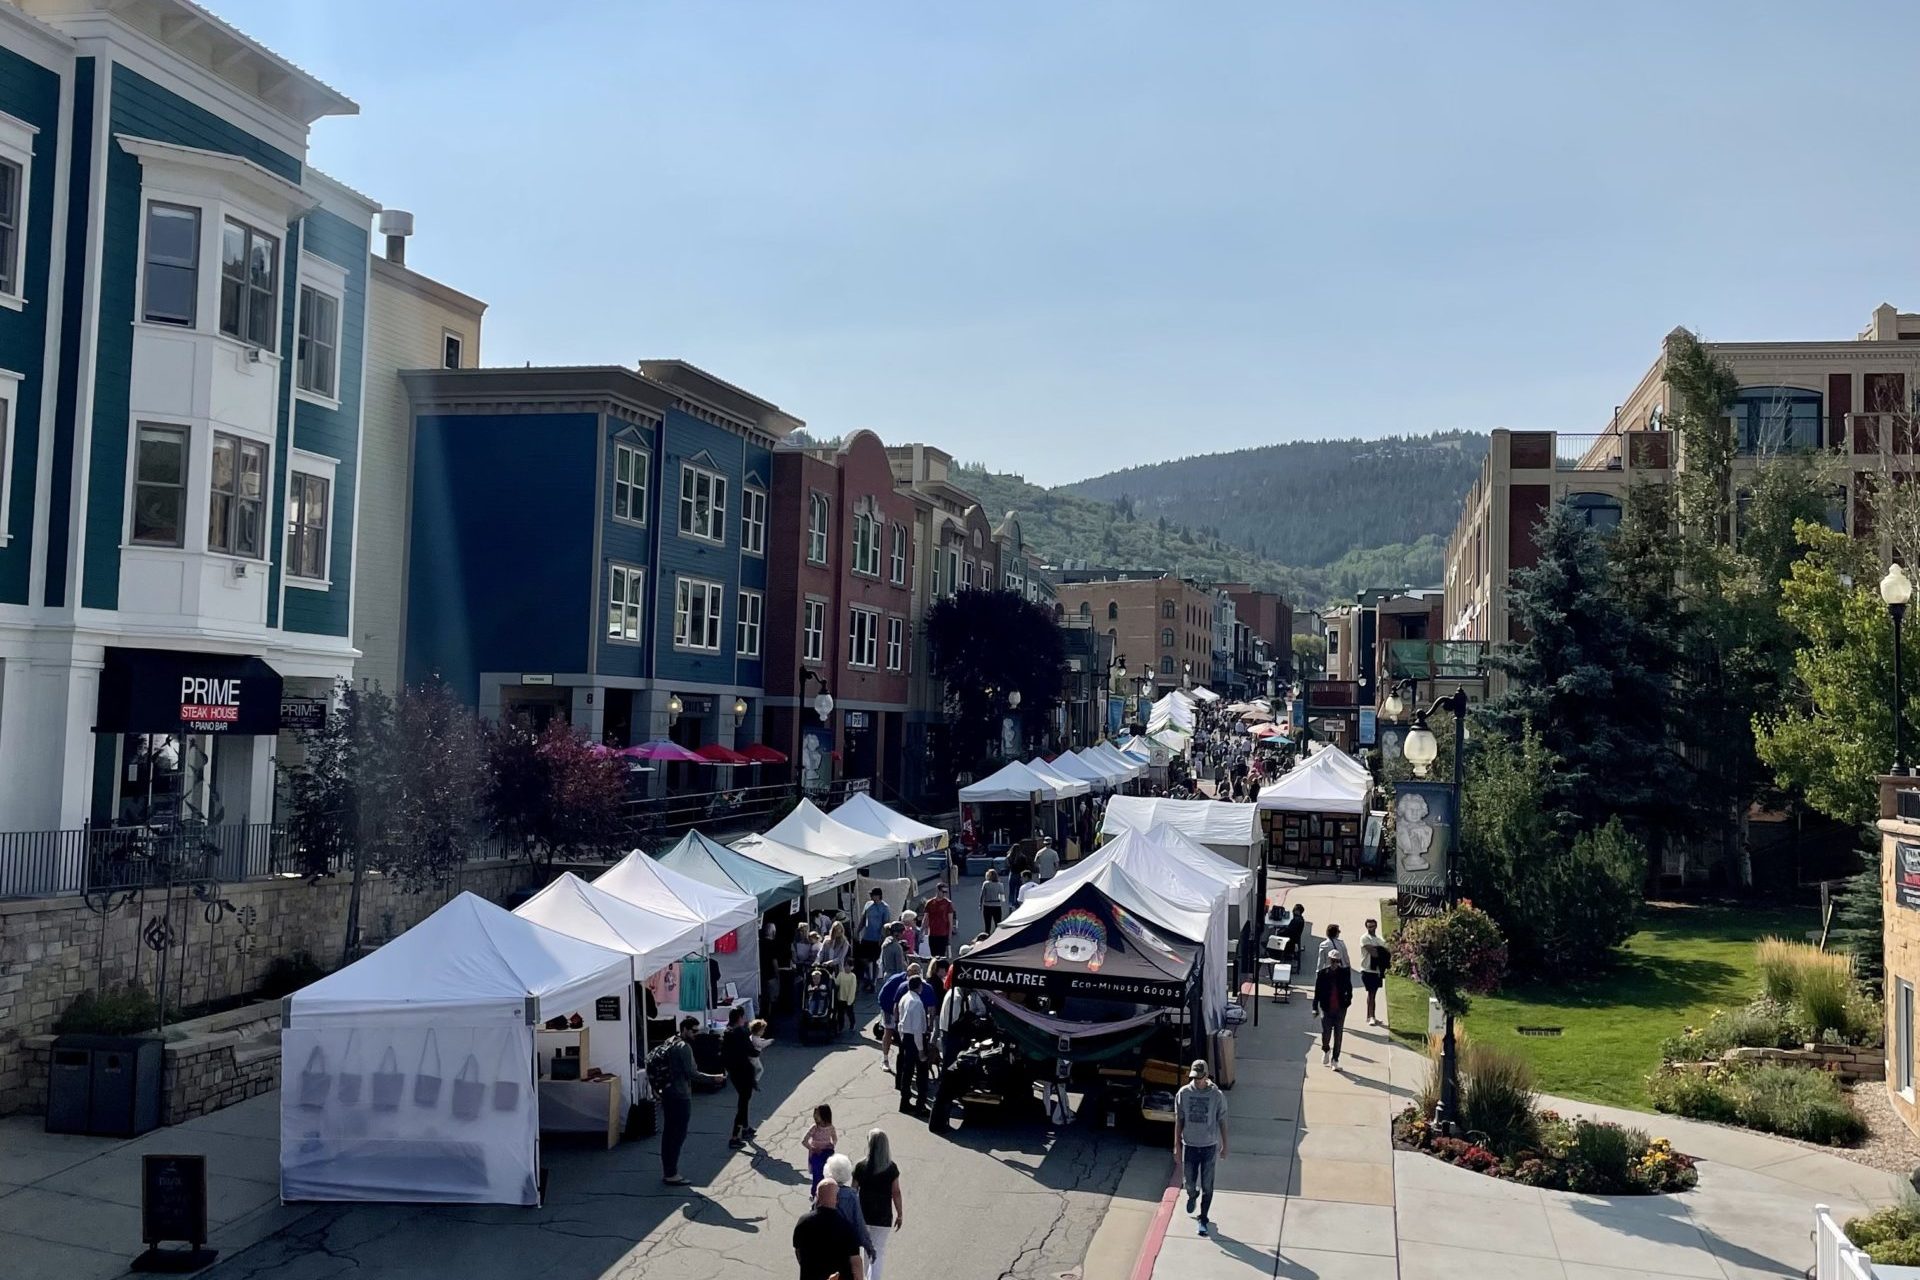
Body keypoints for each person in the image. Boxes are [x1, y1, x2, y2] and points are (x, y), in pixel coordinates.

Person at [661, 1015, 726, 1186]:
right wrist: (715, 1079)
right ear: (684, 1030)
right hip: (680, 1095)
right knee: (677, 1134)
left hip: (667, 1092)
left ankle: (668, 1170)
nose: (696, 1034)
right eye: (694, 1031)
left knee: (669, 1133)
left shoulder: (670, 1041)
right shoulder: (684, 1048)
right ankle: (671, 1173)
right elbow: (693, 1074)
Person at [1174, 1058, 1228, 1237]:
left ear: (1206, 1076)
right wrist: (1176, 1145)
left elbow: (1222, 1120)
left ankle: (1203, 1217)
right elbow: (1179, 1120)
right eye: (1194, 1077)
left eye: (1199, 1078)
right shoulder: (1183, 1093)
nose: (1196, 1081)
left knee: (1208, 1185)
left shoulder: (1216, 1095)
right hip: (1189, 1145)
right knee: (1188, 1182)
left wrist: (1225, 1145)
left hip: (1209, 1147)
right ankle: (1192, 1195)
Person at [854, 1128, 904, 1280]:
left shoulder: (861, 1166)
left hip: (863, 1216)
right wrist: (900, 1213)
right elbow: (896, 1192)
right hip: (882, 1217)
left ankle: (868, 1277)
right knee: (878, 1252)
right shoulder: (891, 1168)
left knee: (867, 1251)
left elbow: (853, 1191)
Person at [794, 1177, 864, 1280]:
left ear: (817, 1196)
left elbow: (798, 1250)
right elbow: (855, 1261)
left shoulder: (803, 1222)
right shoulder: (846, 1226)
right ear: (836, 1199)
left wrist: (806, 1267)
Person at [820, 1153, 875, 1274]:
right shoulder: (851, 1195)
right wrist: (868, 1246)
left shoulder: (822, 1192)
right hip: (848, 1243)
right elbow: (859, 1222)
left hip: (826, 1240)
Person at [723, 1005, 760, 1149]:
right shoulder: (740, 1033)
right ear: (739, 1018)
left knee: (744, 1099)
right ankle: (734, 1136)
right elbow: (750, 1050)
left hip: (734, 1071)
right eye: (743, 1017)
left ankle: (745, 1128)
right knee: (743, 1102)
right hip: (743, 1070)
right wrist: (757, 1051)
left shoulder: (727, 1032)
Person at [895, 974, 932, 1112]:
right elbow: (917, 1029)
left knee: (907, 1071)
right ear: (919, 986)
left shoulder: (904, 998)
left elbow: (900, 1022)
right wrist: (921, 1050)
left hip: (905, 1037)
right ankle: (920, 1105)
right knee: (922, 1074)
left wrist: (902, 1037)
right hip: (915, 1039)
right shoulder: (916, 1002)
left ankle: (904, 1102)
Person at [1312, 950, 1355, 1068]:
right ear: (1329, 960)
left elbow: (1349, 989)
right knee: (1326, 1033)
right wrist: (1314, 1007)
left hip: (1340, 1008)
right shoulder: (1322, 974)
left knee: (1338, 1034)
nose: (1334, 963)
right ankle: (1326, 1049)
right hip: (1326, 1008)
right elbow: (1317, 992)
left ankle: (1335, 1059)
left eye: (1336, 961)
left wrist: (1348, 1001)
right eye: (1332, 961)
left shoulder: (1344, 973)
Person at [857, 888, 891, 992]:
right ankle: (868, 978)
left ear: (878, 896)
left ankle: (874, 982)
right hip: (867, 936)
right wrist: (858, 930)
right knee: (864, 959)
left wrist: (882, 937)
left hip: (877, 938)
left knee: (875, 961)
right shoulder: (868, 904)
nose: (871, 897)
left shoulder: (885, 908)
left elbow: (885, 924)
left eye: (873, 895)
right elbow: (863, 918)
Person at [1359, 918, 1391, 1026]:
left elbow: (1387, 950)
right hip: (1367, 970)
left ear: (1376, 926)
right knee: (1371, 993)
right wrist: (1381, 950)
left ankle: (1371, 1016)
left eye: (1372, 926)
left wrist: (1381, 949)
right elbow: (1374, 953)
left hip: (1377, 971)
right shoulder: (1364, 938)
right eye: (1368, 926)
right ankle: (1370, 1017)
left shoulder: (1379, 939)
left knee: (1374, 994)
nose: (1370, 928)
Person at [803, 1103, 838, 1196]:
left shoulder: (830, 1127)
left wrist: (832, 1145)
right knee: (817, 1175)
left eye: (817, 1114)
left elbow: (834, 1138)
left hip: (826, 1154)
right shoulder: (814, 1128)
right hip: (816, 1155)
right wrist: (813, 1148)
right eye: (815, 1114)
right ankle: (815, 1194)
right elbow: (804, 1141)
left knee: (827, 1174)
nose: (815, 1116)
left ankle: (826, 1193)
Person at [924, 883, 956, 958]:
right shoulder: (930, 903)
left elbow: (950, 921)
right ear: (937, 890)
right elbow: (926, 918)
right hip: (932, 934)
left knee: (941, 956)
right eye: (943, 892)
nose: (945, 894)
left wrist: (949, 936)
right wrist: (923, 932)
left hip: (943, 934)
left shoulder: (948, 904)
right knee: (933, 956)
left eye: (946, 892)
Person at [877, 922, 907, 986]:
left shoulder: (885, 944)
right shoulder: (897, 947)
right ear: (898, 933)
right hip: (895, 976)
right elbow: (899, 966)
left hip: (886, 975)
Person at [833, 960, 859, 1034]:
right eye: (845, 965)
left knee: (850, 1013)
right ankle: (840, 1027)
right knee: (840, 1014)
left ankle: (852, 1024)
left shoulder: (853, 976)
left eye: (848, 966)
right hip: (840, 998)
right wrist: (833, 977)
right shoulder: (841, 974)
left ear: (852, 967)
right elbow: (837, 983)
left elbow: (853, 989)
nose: (846, 967)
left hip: (848, 999)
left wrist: (850, 1000)